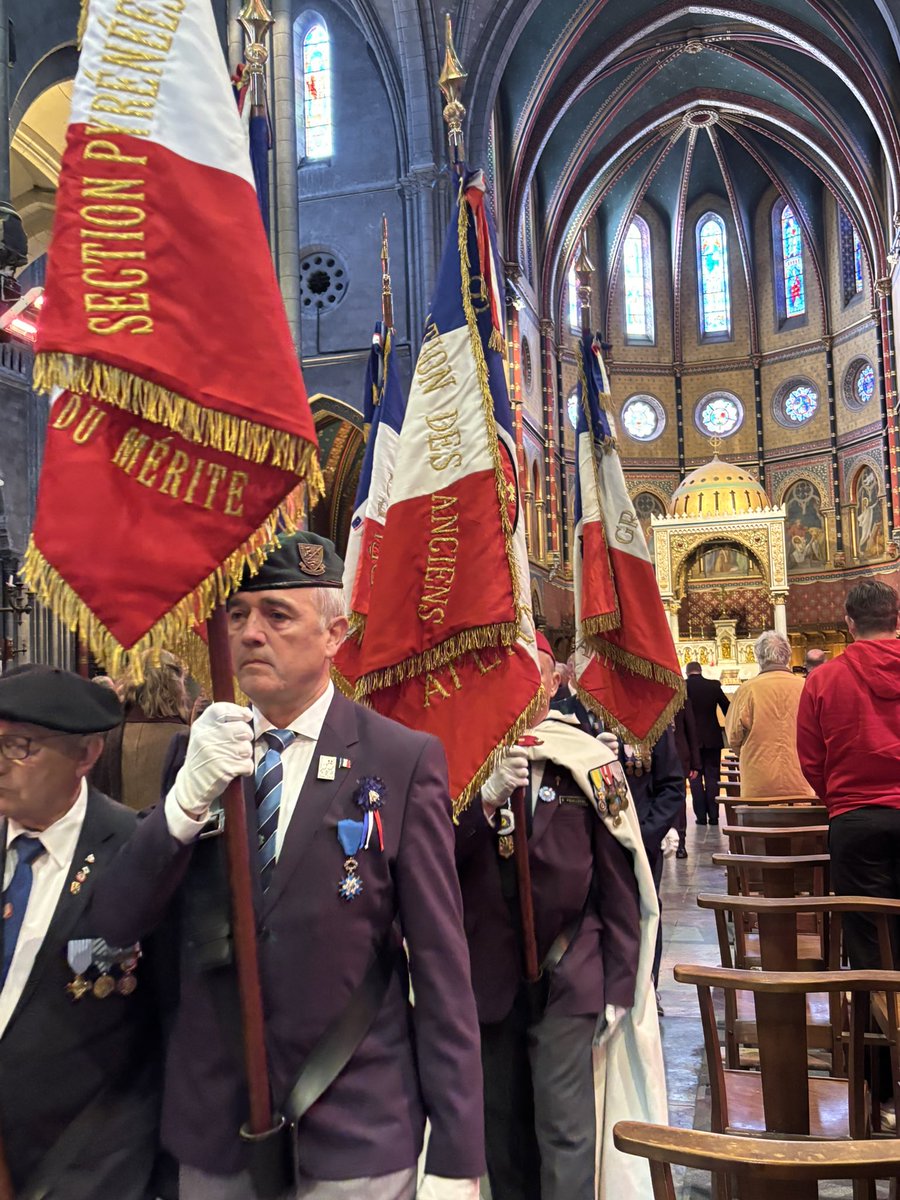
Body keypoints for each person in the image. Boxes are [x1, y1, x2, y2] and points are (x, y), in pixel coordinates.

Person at [93, 532, 484, 1200]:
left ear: (334, 634)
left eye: (277, 615)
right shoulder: (197, 756)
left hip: (355, 1125)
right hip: (218, 1130)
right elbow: (117, 920)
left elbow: (441, 970)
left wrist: (456, 1156)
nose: (249, 633)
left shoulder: (398, 759)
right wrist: (184, 803)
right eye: (237, 614)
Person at [456, 632, 665, 1200]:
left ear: (552, 683)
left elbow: (619, 880)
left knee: (565, 1129)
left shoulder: (589, 760)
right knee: (500, 1130)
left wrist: (620, 984)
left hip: (571, 969)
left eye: (535, 674)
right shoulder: (465, 761)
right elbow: (434, 861)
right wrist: (484, 802)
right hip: (487, 972)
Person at [0, 665, 162, 1198]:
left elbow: (168, 1022)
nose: (0, 764)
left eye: (19, 746)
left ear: (86, 755)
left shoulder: (133, 853)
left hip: (86, 1165)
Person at [797, 580, 900, 971]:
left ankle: (879, 1008)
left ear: (849, 623)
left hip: (855, 820)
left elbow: (811, 758)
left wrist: (839, 801)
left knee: (868, 936)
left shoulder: (823, 679)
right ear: (896, 619)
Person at [92, 649, 189, 811]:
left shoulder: (103, 734)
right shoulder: (189, 739)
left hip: (113, 825)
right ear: (177, 687)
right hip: (164, 826)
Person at [725, 631, 815, 799]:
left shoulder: (747, 690)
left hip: (758, 782)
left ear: (759, 657)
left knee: (760, 816)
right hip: (800, 778)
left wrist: (751, 752)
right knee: (800, 814)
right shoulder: (806, 687)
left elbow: (733, 736)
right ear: (788, 657)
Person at [685, 661, 730, 825]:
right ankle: (714, 816)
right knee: (713, 777)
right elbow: (728, 708)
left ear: (687, 672)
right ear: (700, 671)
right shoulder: (713, 686)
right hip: (712, 738)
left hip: (691, 740)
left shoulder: (683, 687)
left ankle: (701, 817)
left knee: (694, 777)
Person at [671, 697, 700, 857]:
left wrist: (695, 763)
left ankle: (680, 842)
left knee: (679, 800)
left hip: (678, 754)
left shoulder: (681, 696)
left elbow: (691, 729)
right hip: (656, 755)